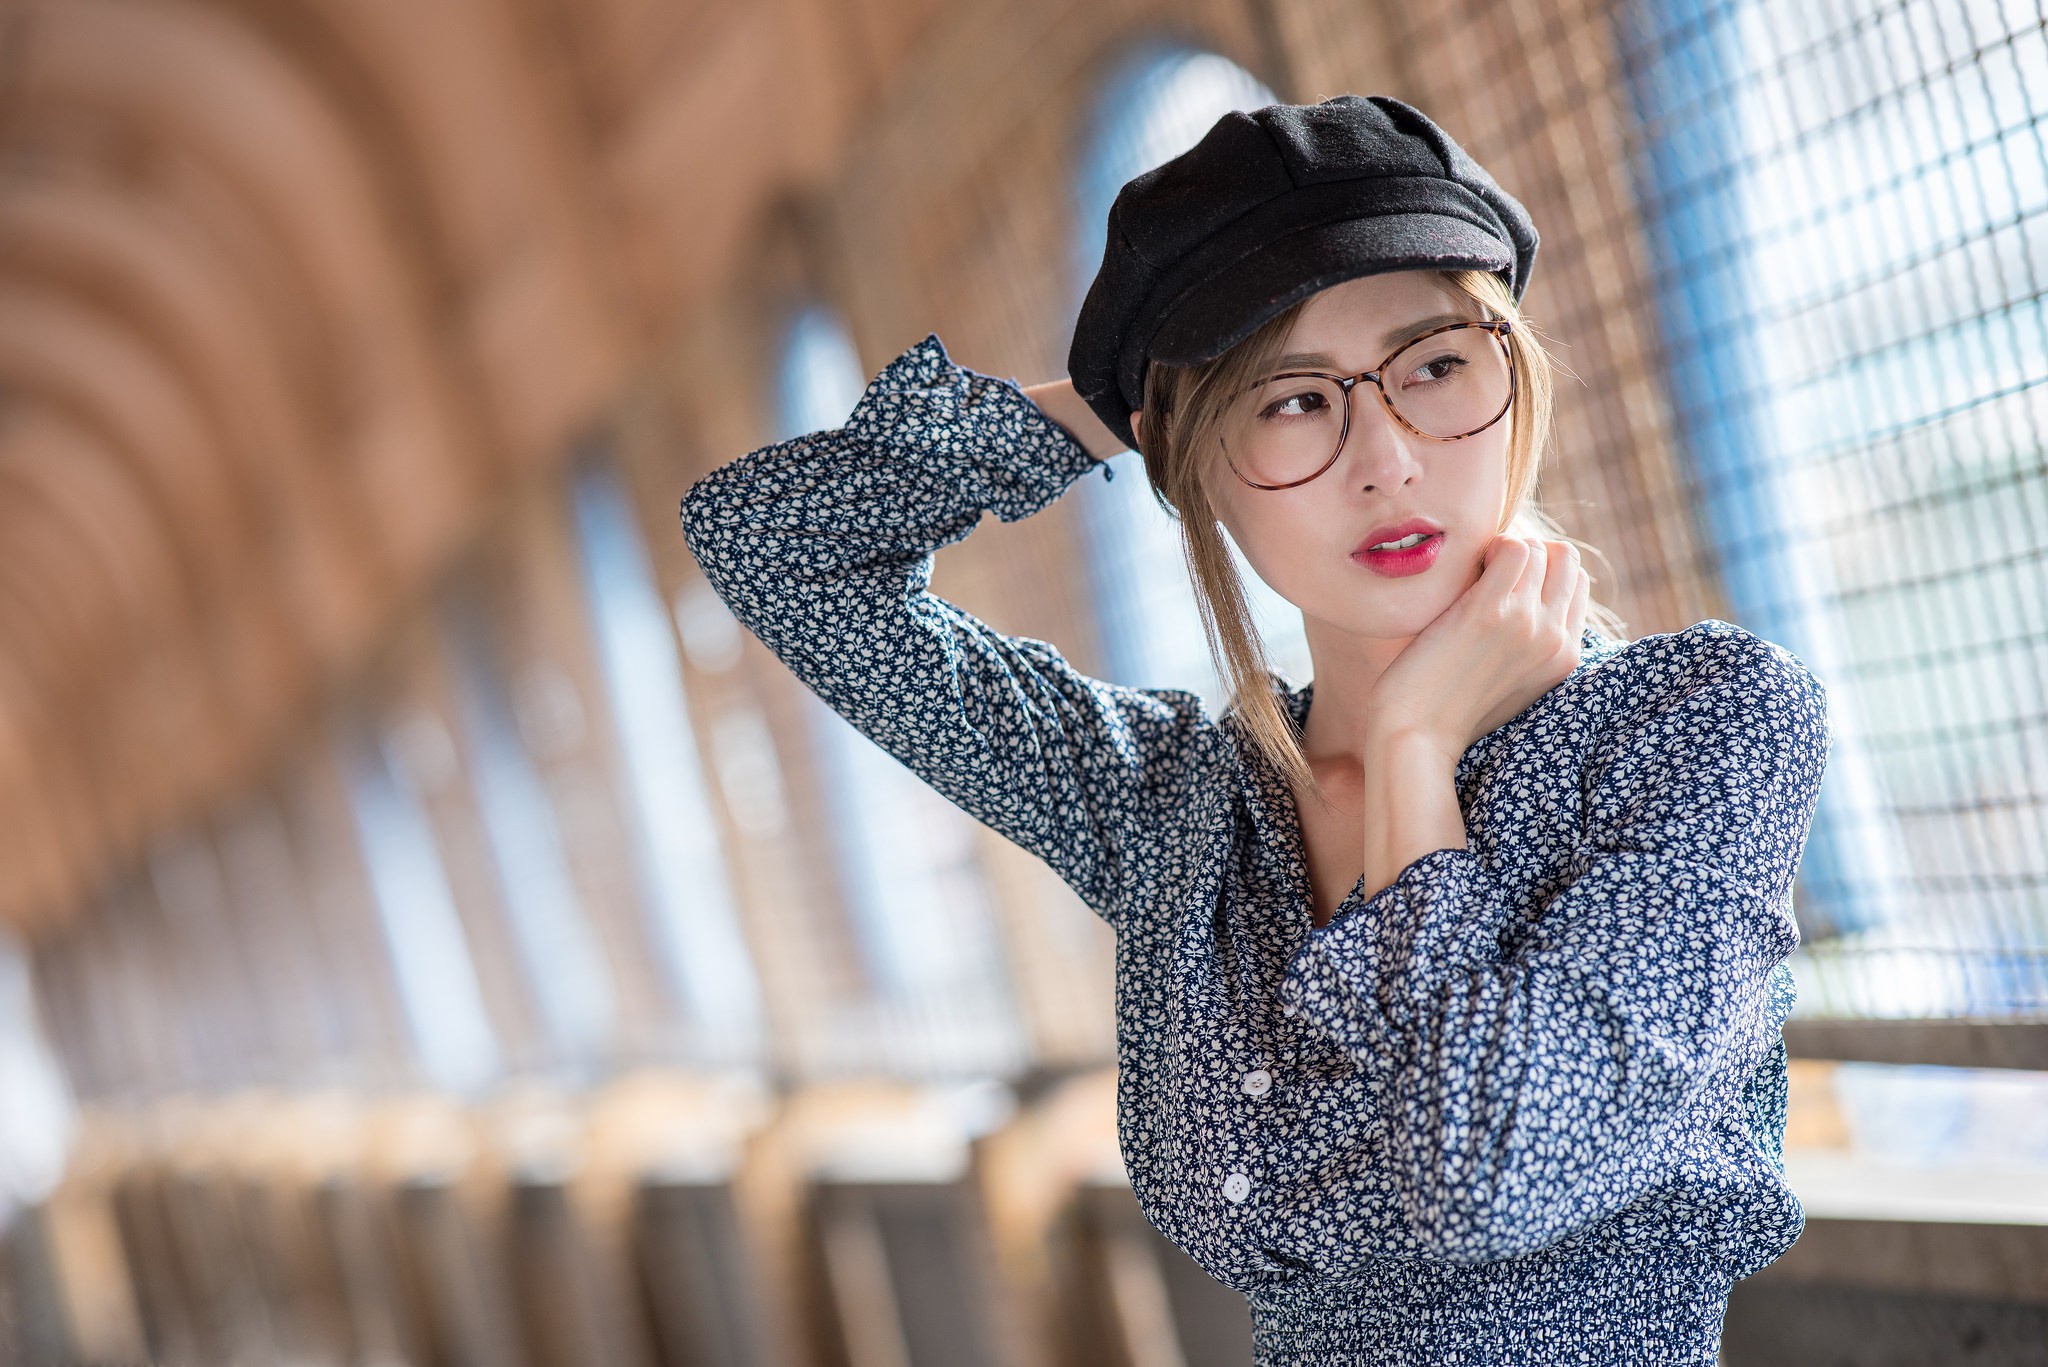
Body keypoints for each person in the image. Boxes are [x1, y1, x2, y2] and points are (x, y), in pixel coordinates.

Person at [681, 93, 1829, 1366]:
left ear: (1513, 375)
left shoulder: (1697, 727)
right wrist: (1120, 401)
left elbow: (1491, 1166)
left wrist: (1409, 753)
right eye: (1291, 402)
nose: (1383, 456)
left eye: (1435, 364)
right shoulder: (1175, 802)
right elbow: (773, 549)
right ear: (1194, 459)